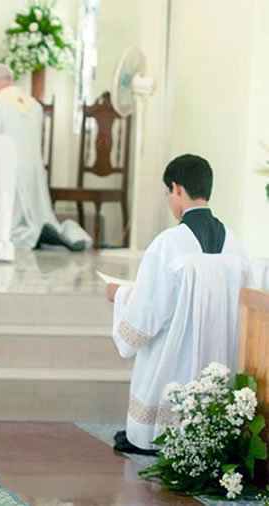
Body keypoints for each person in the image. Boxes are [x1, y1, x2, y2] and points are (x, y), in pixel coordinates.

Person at [107, 154, 252, 455]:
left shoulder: (168, 243)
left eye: (167, 193)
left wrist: (120, 295)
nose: (169, 201)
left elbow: (146, 317)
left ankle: (156, 436)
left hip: (174, 366)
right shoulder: (236, 246)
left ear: (176, 188)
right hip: (220, 363)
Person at [0, 63, 91, 252]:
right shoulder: (33, 104)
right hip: (34, 174)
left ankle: (32, 234)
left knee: (11, 226)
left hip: (9, 173)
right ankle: (49, 231)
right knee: (39, 216)